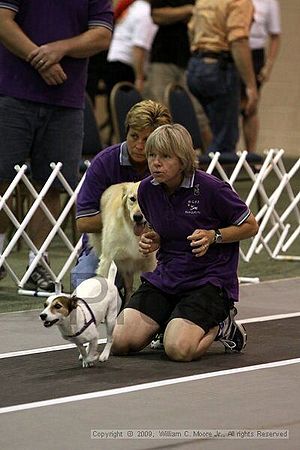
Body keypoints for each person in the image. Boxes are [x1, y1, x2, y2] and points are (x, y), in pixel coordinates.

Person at [112, 124, 259, 361]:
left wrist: (214, 236)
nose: (155, 163)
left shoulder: (212, 189)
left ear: (182, 160)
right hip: (167, 277)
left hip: (208, 280)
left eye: (165, 157)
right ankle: (170, 319)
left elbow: (251, 225)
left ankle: (223, 325)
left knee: (178, 350)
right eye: (152, 155)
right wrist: (154, 239)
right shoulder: (147, 191)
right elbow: (164, 228)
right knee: (119, 341)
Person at [0, 0, 113, 289]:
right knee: (2, 181)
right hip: (11, 92)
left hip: (66, 99)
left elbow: (101, 35)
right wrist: (40, 60)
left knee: (51, 185)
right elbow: (2, 21)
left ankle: (39, 263)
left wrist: (60, 49)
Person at [72, 99, 172, 289]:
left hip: (159, 245)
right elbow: (83, 222)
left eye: (147, 139)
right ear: (125, 132)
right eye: (134, 136)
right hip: (109, 246)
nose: (140, 146)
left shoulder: (170, 165)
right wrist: (125, 218)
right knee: (85, 287)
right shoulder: (104, 163)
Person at [187, 0, 258, 155]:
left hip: (196, 65)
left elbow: (191, 30)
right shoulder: (239, 1)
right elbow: (238, 40)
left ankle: (204, 170)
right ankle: (214, 177)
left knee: (209, 130)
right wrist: (251, 85)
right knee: (225, 137)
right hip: (219, 67)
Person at [144, 0, 212, 151]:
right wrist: (188, 10)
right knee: (157, 113)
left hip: (190, 59)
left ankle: (214, 163)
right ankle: (156, 156)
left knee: (199, 114)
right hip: (163, 58)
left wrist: (175, 13)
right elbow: (157, 15)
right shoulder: (190, 6)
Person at [241, 0, 281, 153]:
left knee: (250, 106)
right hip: (234, 49)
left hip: (256, 53)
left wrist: (268, 66)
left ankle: (250, 155)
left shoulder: (270, 2)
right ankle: (225, 157)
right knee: (231, 105)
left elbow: (276, 36)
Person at [104, 0, 157, 96]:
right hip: (126, 66)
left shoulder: (135, 6)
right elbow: (138, 47)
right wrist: (139, 78)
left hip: (114, 60)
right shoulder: (146, 13)